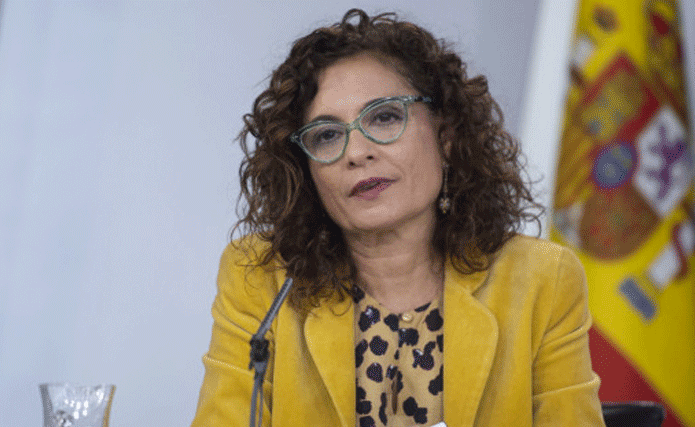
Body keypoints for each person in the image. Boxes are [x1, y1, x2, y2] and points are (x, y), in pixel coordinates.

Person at [191, 8, 604, 427]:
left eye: (385, 117)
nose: (357, 153)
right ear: (306, 169)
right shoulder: (263, 281)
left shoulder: (540, 280)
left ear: (446, 137)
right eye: (327, 135)